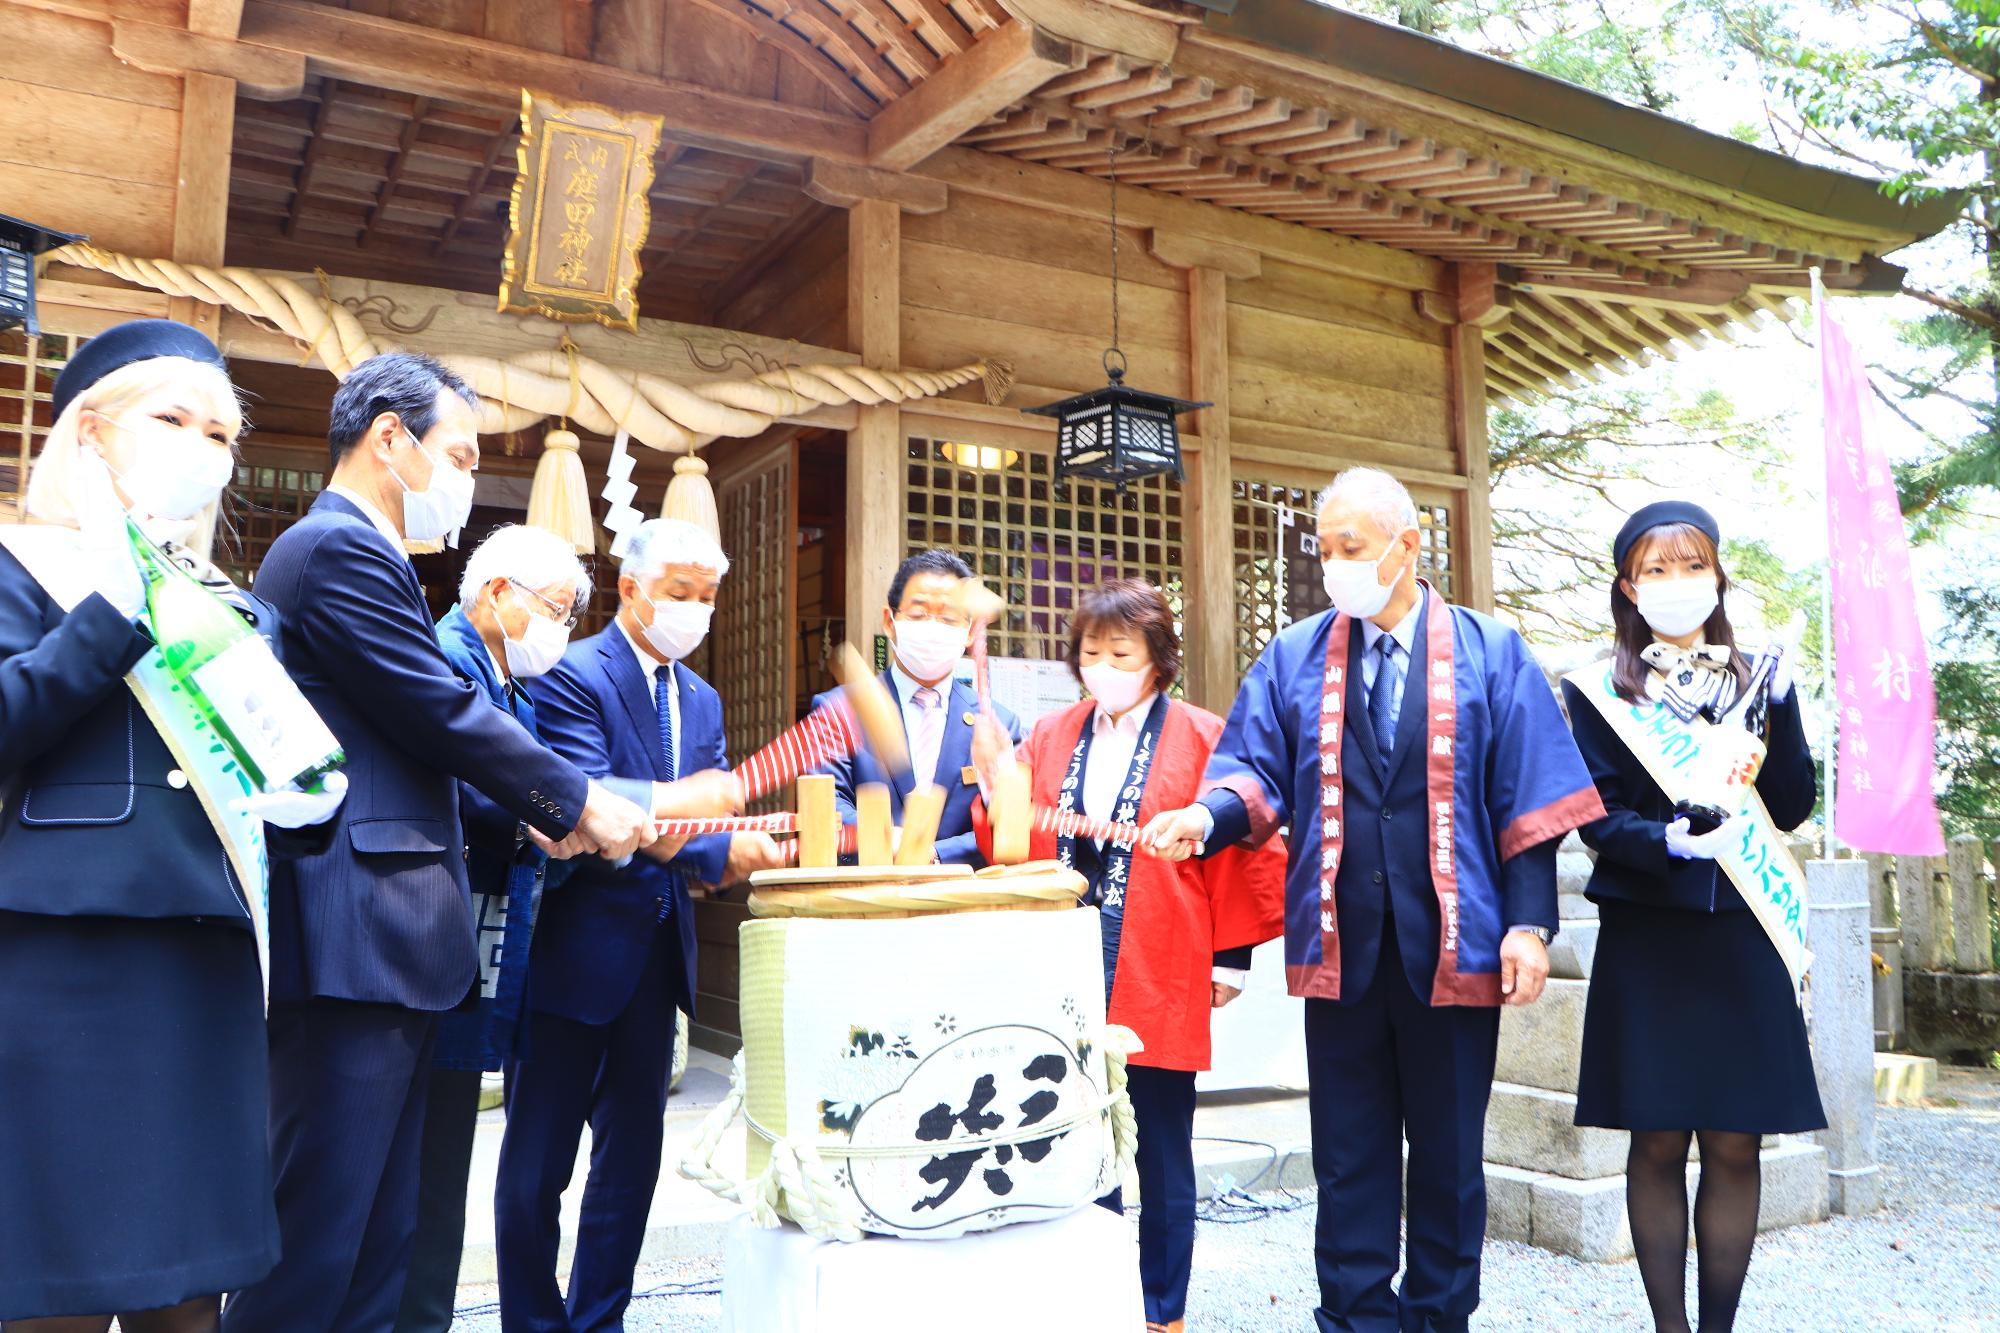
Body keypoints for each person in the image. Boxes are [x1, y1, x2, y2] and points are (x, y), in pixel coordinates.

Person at [221, 354, 655, 1333]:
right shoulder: (335, 548)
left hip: (393, 943)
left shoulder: (366, 555)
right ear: (389, 437)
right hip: (353, 941)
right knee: (319, 1245)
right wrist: (572, 799)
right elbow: (440, 710)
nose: (464, 477)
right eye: (458, 452)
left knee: (381, 1243)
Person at [1144, 467, 1606, 1333]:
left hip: (1456, 943)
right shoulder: (1295, 654)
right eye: (1324, 550)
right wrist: (1205, 816)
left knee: (1447, 1159)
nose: (1334, 567)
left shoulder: (1489, 650)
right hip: (1342, 945)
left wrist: (1530, 923)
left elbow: (1528, 803)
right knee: (1349, 1157)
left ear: (1407, 545)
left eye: (1350, 548)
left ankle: (1439, 1318)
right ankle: (1354, 1318)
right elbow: (1251, 769)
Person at [0, 320, 343, 1333]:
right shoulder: (18, 569)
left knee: (190, 1292)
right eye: (174, 418)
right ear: (91, 432)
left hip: (206, 966)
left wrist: (310, 810)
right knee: (51, 1284)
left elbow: (268, 780)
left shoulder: (234, 609)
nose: (204, 446)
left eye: (221, 433)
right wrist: (107, 614)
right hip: (59, 958)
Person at [968, 579, 1284, 1333]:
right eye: (1089, 651)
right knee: (1074, 1134)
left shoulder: (1204, 734)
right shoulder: (1050, 733)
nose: (1102, 665)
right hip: (1063, 967)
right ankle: (1094, 1296)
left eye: (1120, 652)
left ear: (1157, 658)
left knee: (1162, 1142)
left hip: (1160, 958)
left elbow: (1246, 844)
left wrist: (1229, 959)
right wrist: (991, 784)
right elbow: (1003, 829)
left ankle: (1162, 1309)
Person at [497, 517, 784, 1333]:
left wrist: (730, 853)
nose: (695, 610)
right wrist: (701, 818)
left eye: (707, 596)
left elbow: (695, 838)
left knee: (629, 1169)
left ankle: (601, 1320)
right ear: (631, 589)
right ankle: (531, 1323)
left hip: (658, 960)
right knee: (536, 1168)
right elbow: (585, 797)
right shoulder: (573, 672)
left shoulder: (703, 696)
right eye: (679, 593)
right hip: (571, 954)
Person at [1559, 502, 1823, 1333]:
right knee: (1658, 1140)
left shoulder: (1757, 677)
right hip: (1651, 934)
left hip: (1745, 930)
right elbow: (1594, 815)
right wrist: (1662, 840)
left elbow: (1789, 803)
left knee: (1738, 1141)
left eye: (1692, 566)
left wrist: (1784, 715)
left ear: (1717, 576)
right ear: (1629, 587)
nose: (1678, 584)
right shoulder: (1600, 689)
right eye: (1657, 569)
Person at [812, 549, 1021, 864]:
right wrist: (887, 838)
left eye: (949, 618)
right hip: (864, 898)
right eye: (919, 614)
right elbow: (825, 804)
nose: (933, 627)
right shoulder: (839, 709)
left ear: (969, 630)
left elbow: (1010, 824)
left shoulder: (998, 724)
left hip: (963, 903)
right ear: (890, 621)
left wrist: (935, 853)